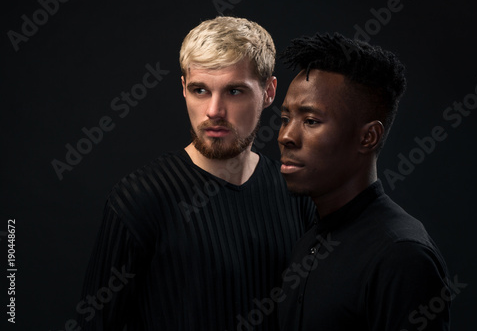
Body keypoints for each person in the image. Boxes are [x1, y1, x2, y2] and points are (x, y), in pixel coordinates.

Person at [77, 16, 316, 330]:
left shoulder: (297, 192)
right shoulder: (139, 199)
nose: (214, 111)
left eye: (234, 92)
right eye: (200, 90)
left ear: (269, 92)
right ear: (183, 89)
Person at [276, 33, 451, 330]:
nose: (285, 136)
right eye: (285, 118)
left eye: (311, 121)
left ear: (368, 137)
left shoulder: (402, 256)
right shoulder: (309, 240)